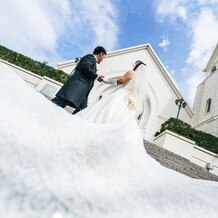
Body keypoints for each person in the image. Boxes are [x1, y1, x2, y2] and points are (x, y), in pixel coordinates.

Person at [76, 60, 147, 123]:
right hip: (128, 98)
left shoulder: (132, 72)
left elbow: (122, 80)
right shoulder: (141, 82)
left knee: (108, 109)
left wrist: (106, 81)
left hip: (121, 94)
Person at [52, 46, 107, 114]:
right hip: (75, 88)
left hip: (82, 92)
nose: (102, 60)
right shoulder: (90, 57)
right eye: (104, 57)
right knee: (58, 103)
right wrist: (97, 76)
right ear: (101, 54)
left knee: (83, 111)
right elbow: (86, 67)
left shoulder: (92, 60)